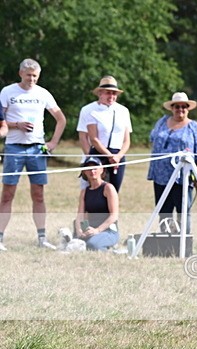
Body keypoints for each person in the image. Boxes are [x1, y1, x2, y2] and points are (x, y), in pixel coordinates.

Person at [0, 58, 67, 251]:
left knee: (38, 194)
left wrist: (53, 142)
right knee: (7, 194)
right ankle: (1, 238)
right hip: (14, 148)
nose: (32, 79)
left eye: (35, 76)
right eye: (28, 75)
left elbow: (61, 119)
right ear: (20, 73)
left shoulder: (43, 93)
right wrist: (16, 125)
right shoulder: (7, 92)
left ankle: (41, 238)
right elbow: (1, 121)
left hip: (37, 149)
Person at [147, 92, 197, 233]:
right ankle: (165, 240)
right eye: (177, 106)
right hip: (161, 175)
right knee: (163, 209)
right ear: (172, 108)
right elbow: (152, 138)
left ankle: (183, 240)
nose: (180, 109)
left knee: (183, 210)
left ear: (188, 109)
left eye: (183, 107)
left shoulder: (194, 127)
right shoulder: (162, 122)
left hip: (183, 176)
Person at [76, 76, 132, 192]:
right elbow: (90, 138)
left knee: (113, 192)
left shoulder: (123, 111)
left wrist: (118, 157)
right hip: (97, 154)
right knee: (94, 191)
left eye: (114, 93)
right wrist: (92, 157)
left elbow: (126, 140)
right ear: (100, 93)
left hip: (118, 156)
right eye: (108, 93)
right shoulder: (89, 110)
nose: (111, 96)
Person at [73, 157, 120, 251]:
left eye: (95, 167)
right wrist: (79, 231)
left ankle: (110, 247)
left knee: (92, 245)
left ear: (102, 169)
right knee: (76, 244)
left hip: (108, 230)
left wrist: (97, 230)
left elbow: (114, 216)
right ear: (84, 172)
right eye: (89, 168)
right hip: (90, 229)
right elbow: (80, 215)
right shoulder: (84, 192)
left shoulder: (108, 188)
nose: (92, 171)